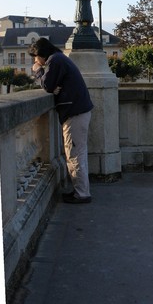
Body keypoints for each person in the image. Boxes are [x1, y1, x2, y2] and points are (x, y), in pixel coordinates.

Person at [29, 37, 94, 204]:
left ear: (41, 54)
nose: (36, 61)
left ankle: (81, 194)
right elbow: (53, 87)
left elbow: (48, 86)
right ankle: (81, 190)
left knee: (74, 154)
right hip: (79, 110)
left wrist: (37, 70)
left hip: (74, 112)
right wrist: (53, 86)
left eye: (35, 58)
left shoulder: (55, 60)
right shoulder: (59, 58)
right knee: (78, 152)